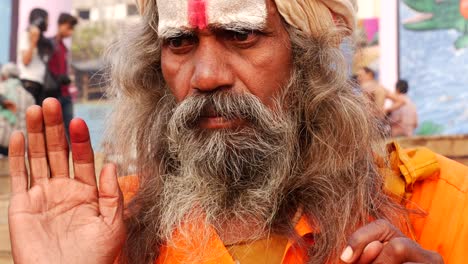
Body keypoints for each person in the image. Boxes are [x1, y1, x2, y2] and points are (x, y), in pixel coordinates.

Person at [7, 1, 467, 264]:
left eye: (242, 36)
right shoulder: (109, 226)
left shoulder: (440, 203)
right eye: (180, 43)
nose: (206, 76)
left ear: (307, 55)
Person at [48, 13, 78, 138]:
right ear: (61, 25)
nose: (71, 32)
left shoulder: (64, 48)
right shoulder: (49, 44)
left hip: (66, 93)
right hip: (54, 92)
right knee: (54, 126)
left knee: (69, 125)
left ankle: (71, 152)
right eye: (69, 28)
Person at [17, 8, 53, 105]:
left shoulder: (43, 41)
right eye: (46, 20)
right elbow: (25, 61)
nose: (48, 23)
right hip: (28, 84)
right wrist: (33, 41)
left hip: (40, 84)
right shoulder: (26, 35)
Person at [0, 63, 35, 155]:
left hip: (2, 139)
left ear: (4, 76)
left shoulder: (1, 89)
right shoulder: (29, 96)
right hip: (20, 143)